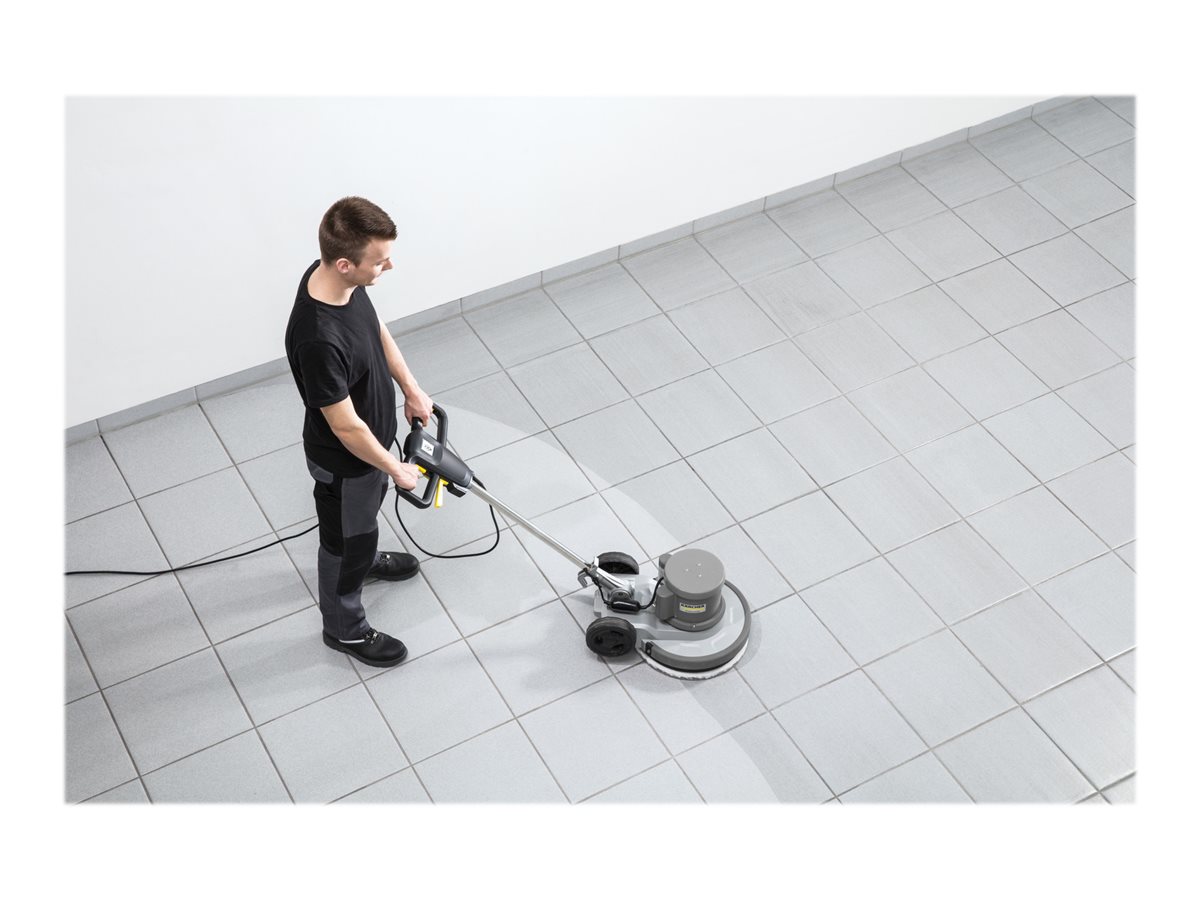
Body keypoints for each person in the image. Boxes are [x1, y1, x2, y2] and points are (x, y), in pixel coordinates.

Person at [284, 196, 433, 668]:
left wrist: (410, 388)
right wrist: (395, 468)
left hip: (372, 451)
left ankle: (365, 561)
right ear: (345, 263)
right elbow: (345, 426)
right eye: (380, 261)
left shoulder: (340, 282)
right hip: (347, 464)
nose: (389, 266)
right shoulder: (318, 338)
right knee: (345, 544)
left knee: (361, 528)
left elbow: (374, 328)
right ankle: (344, 629)